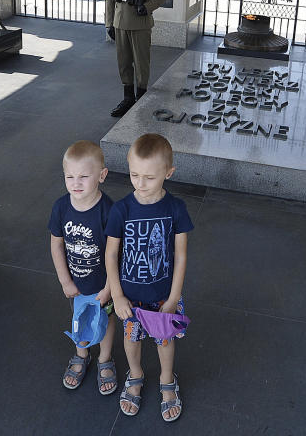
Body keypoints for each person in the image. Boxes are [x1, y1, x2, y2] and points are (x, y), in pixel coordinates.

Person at [105, 134, 192, 422]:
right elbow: (111, 254)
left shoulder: (176, 209)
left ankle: (168, 379)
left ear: (169, 173)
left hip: (162, 296)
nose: (140, 184)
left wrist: (174, 297)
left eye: (150, 178)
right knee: (131, 338)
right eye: (134, 175)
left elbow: (180, 256)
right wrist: (117, 295)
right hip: (130, 298)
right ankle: (137, 373)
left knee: (164, 341)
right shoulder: (121, 209)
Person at [48, 140, 118, 395]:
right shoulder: (61, 207)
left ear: (102, 175)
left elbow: (115, 254)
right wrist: (65, 281)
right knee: (79, 319)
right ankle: (82, 353)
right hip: (76, 283)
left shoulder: (109, 211)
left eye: (84, 176)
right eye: (70, 176)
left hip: (102, 284)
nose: (76, 183)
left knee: (106, 320)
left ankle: (105, 358)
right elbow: (56, 246)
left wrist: (110, 288)